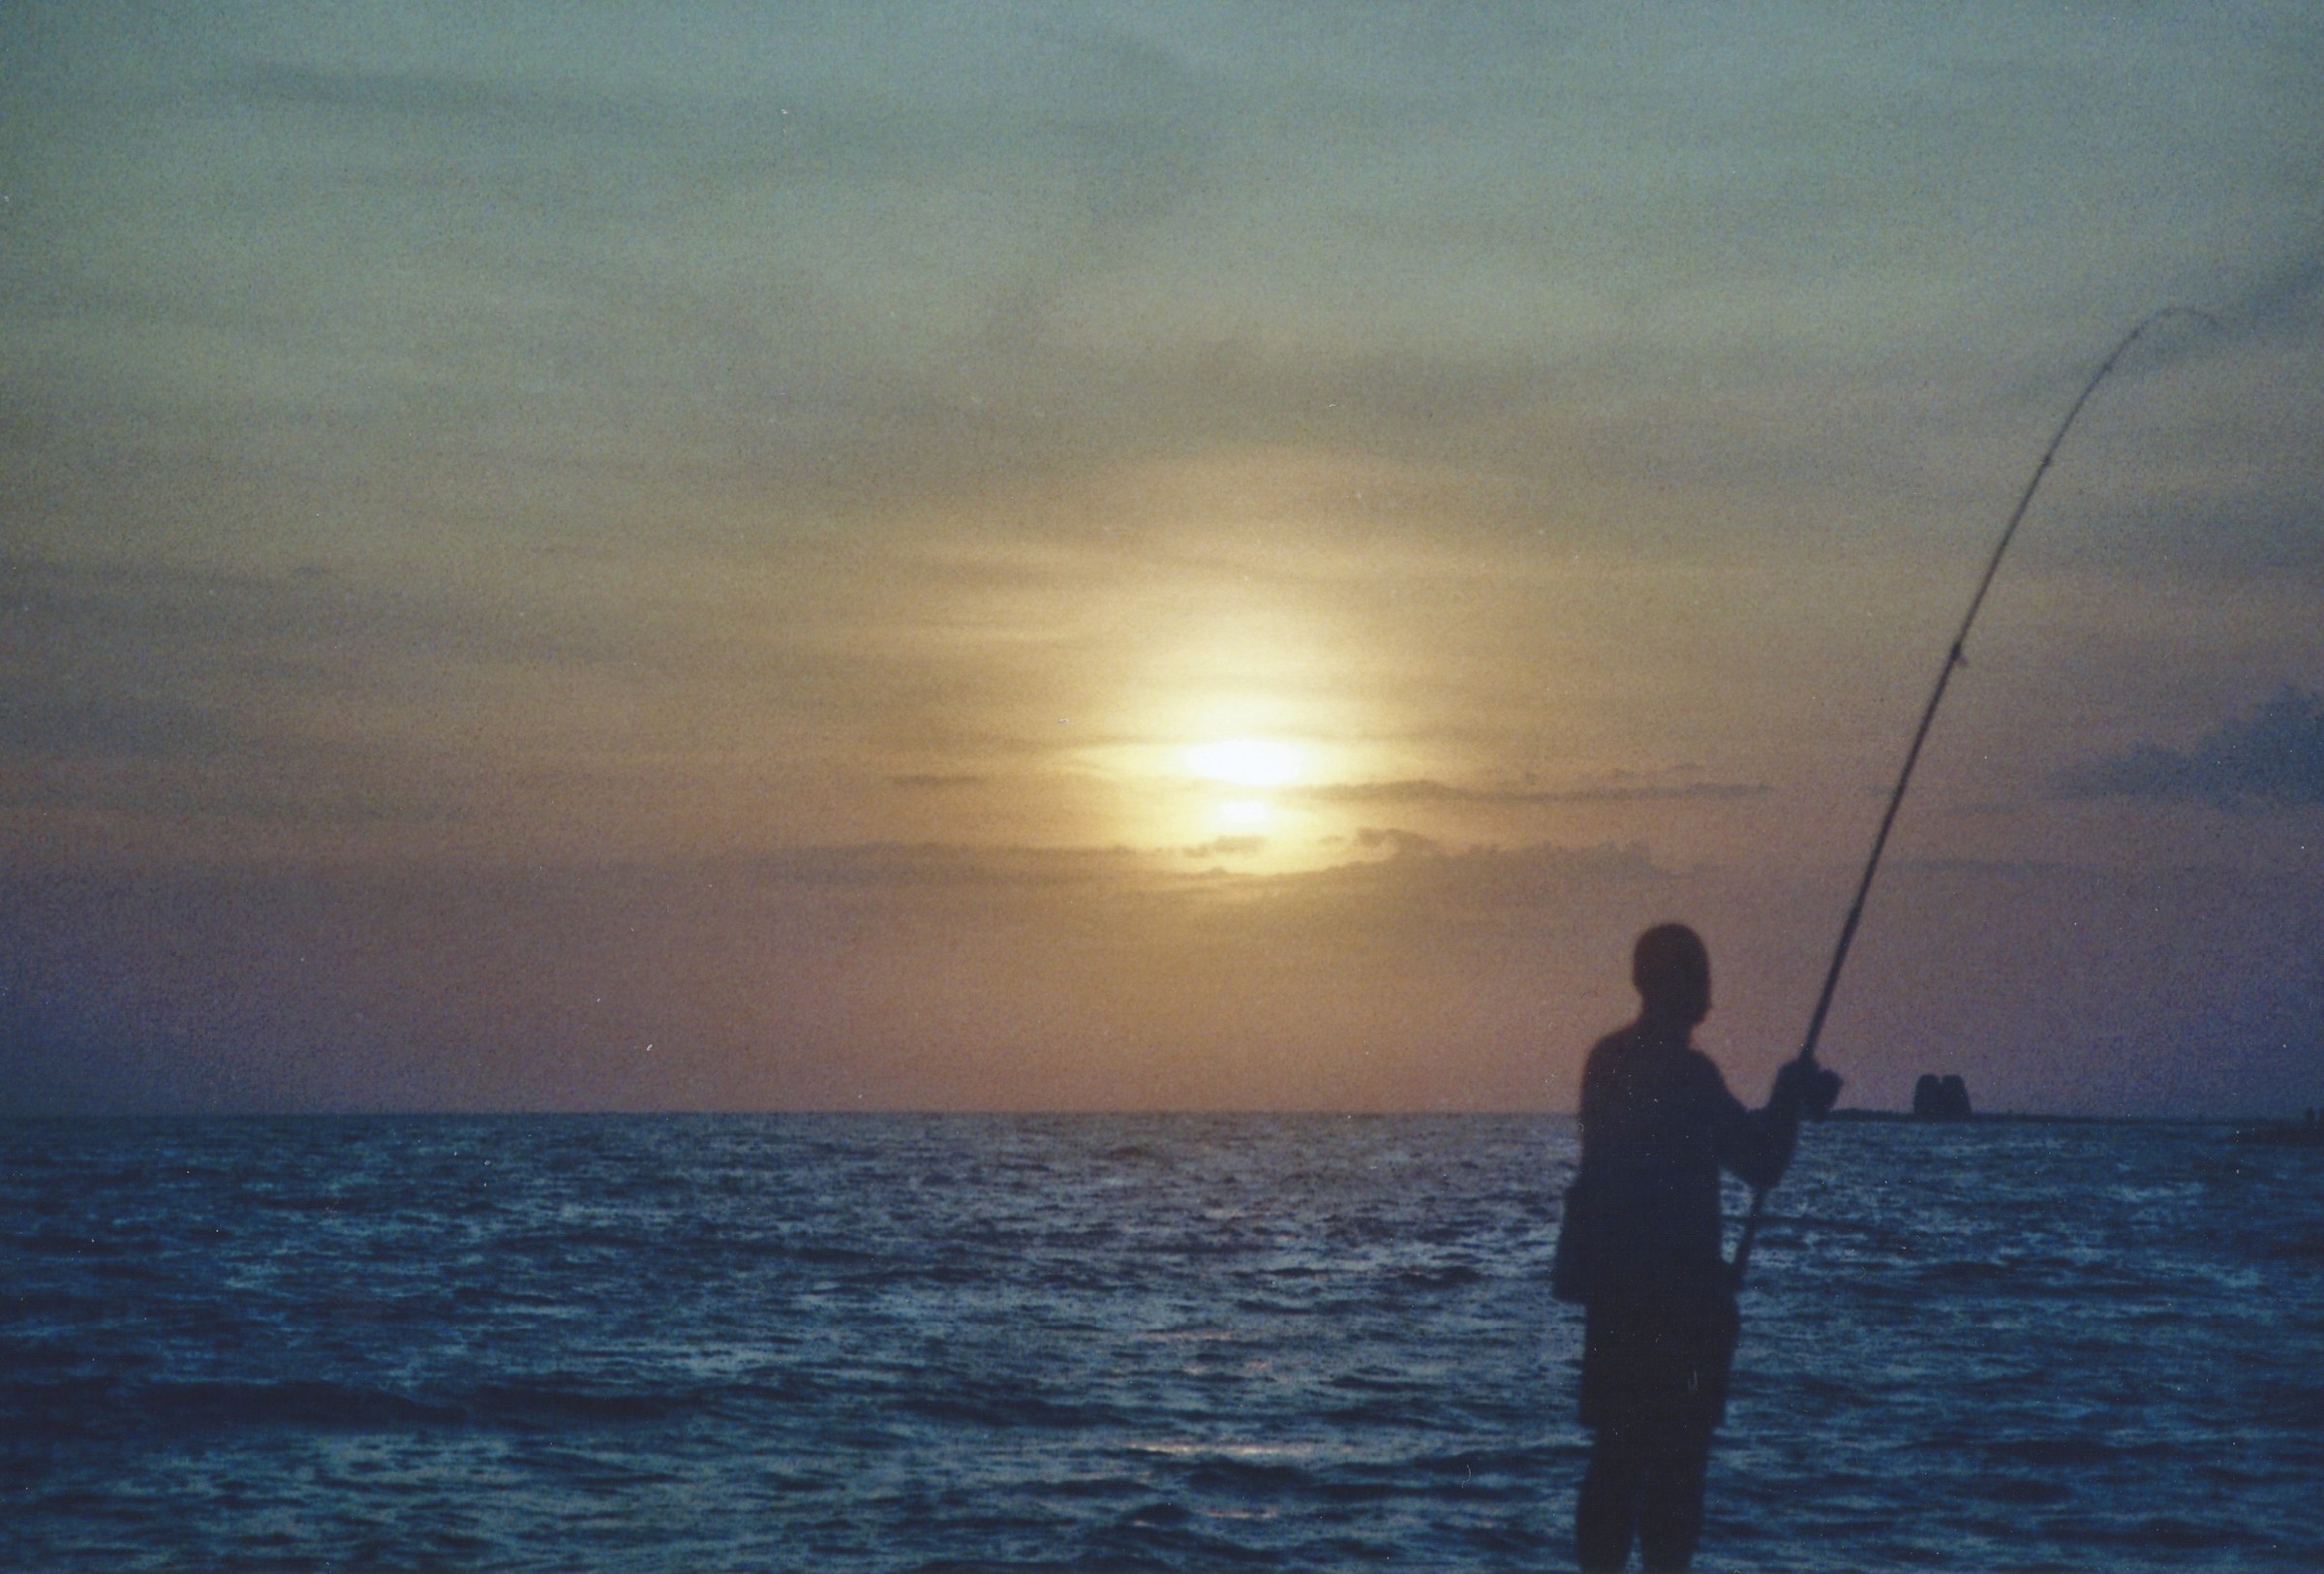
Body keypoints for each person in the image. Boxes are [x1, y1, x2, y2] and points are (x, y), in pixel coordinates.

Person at [1561, 922, 1840, 1572]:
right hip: (1681, 1311)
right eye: (1698, 976)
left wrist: (1786, 1099)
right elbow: (1761, 1160)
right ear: (1680, 986)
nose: (1707, 993)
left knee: (1615, 1461)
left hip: (1618, 1303)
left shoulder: (1606, 1061)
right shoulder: (1687, 1075)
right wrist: (1787, 1098)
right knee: (1675, 1475)